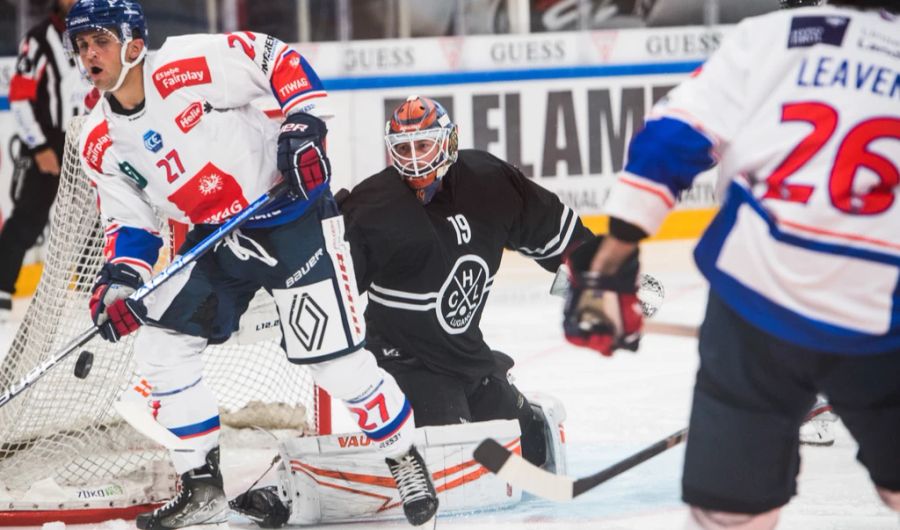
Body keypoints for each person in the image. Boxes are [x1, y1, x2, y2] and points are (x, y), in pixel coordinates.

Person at [64, 1, 437, 528]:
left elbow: (276, 58)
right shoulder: (98, 141)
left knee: (331, 362)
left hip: (291, 217)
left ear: (133, 42)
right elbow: (132, 226)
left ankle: (404, 457)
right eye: (81, 46)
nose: (89, 55)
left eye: (99, 40)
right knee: (161, 346)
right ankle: (200, 485)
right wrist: (123, 283)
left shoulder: (185, 65)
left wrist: (304, 124)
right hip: (216, 239)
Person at [562, 1, 899, 528]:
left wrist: (609, 267)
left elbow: (669, 141)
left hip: (756, 299)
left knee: (729, 513)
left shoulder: (771, 36)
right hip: (883, 309)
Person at [337, 95, 593, 467]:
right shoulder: (374, 205)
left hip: (467, 355)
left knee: (532, 449)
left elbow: (551, 228)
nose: (413, 158)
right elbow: (335, 286)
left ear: (448, 142)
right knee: (456, 463)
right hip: (406, 360)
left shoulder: (489, 181)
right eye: (403, 148)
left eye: (423, 145)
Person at [0, 0, 90, 321]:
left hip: (88, 138)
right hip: (49, 142)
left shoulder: (98, 35)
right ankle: (1, 288)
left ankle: (90, 290)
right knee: (29, 217)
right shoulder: (39, 39)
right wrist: (39, 147)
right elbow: (21, 97)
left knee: (95, 218)